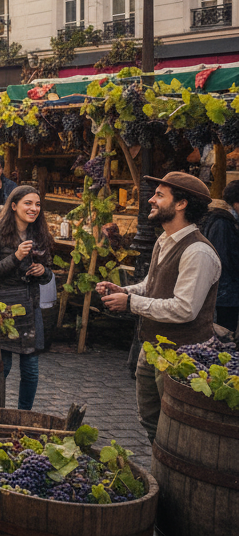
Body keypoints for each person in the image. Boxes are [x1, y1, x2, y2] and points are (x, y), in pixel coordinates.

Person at [96, 171, 221, 441]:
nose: (151, 200)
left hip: (181, 355)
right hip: (152, 347)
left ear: (181, 204)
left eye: (159, 195)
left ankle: (168, 478)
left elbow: (184, 308)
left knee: (175, 428)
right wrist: (125, 290)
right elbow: (153, 283)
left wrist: (130, 302)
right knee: (151, 420)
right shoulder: (164, 240)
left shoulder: (197, 252)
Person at [0, 185, 53, 410]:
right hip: (3, 307)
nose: (34, 208)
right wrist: (17, 256)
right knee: (3, 367)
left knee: (31, 370)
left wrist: (43, 272)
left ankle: (24, 415)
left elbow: (48, 270)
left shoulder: (39, 235)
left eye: (37, 204)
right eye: (28, 203)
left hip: (30, 306)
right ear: (13, 206)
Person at [205, 180, 239, 331]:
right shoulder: (222, 223)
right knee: (224, 332)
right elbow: (224, 258)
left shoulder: (228, 221)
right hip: (224, 293)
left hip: (227, 291)